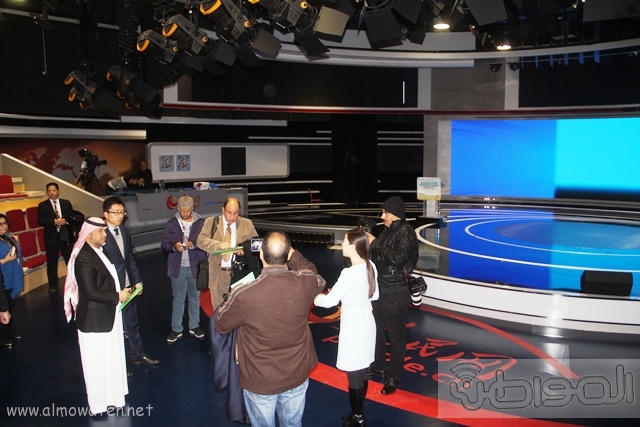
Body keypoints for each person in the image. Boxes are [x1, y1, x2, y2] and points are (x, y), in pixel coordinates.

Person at [215, 231, 326, 427]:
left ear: (261, 254)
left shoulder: (243, 294)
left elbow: (221, 324)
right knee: (292, 423)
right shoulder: (306, 283)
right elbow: (313, 273)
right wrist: (295, 256)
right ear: (288, 255)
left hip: (260, 379)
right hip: (297, 373)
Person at [62, 217, 132, 416]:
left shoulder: (102, 251)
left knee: (110, 359)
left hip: (108, 315)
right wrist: (117, 296)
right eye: (100, 231)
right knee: (96, 364)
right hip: (94, 320)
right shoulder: (84, 257)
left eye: (105, 231)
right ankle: (98, 405)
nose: (105, 235)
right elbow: (90, 292)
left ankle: (113, 397)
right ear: (88, 234)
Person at [314, 228, 379, 426]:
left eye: (344, 241)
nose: (341, 243)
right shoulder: (370, 266)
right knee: (362, 369)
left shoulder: (348, 273)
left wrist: (316, 297)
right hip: (367, 323)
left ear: (353, 246)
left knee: (354, 373)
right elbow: (374, 295)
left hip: (354, 328)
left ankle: (358, 417)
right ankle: (358, 412)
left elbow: (328, 302)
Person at [365, 196, 419, 395]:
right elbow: (379, 256)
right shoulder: (388, 230)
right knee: (378, 331)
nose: (382, 216)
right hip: (380, 290)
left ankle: (394, 377)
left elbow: (397, 258)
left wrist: (375, 244)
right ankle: (379, 365)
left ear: (394, 214)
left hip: (396, 293)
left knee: (396, 338)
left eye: (385, 212)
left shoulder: (406, 232)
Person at [102, 196, 159, 368]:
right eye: (116, 212)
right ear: (106, 214)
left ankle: (137, 354)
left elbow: (130, 258)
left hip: (128, 286)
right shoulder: (100, 234)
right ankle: (118, 365)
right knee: (114, 327)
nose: (120, 216)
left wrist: (137, 281)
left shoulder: (124, 231)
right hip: (112, 290)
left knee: (132, 323)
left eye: (122, 212)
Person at [196, 197, 258, 310]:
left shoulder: (247, 224)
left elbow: (255, 244)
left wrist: (244, 249)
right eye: (229, 212)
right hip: (217, 275)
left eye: (236, 213)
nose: (232, 216)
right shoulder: (211, 222)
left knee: (240, 310)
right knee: (219, 311)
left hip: (240, 275)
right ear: (223, 210)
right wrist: (218, 245)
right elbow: (200, 241)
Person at [161, 195, 207, 343]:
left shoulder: (201, 224)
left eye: (188, 211)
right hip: (177, 266)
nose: (185, 213)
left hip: (196, 266)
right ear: (178, 208)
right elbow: (164, 244)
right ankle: (176, 328)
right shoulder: (171, 224)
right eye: (182, 211)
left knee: (195, 298)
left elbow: (206, 243)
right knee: (178, 298)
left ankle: (194, 326)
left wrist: (194, 245)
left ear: (193, 208)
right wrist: (174, 246)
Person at [37, 182, 75, 293]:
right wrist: (54, 221)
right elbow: (40, 220)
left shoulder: (66, 203)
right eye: (49, 191)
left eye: (54, 190)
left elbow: (72, 216)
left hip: (65, 236)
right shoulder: (42, 205)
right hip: (51, 237)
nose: (52, 193)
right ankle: (53, 284)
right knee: (52, 263)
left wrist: (65, 221)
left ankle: (74, 281)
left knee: (70, 260)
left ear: (58, 191)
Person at [0, 213, 24, 347]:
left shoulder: (8, 238)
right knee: (4, 308)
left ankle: (9, 333)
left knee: (11, 308)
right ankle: (2, 337)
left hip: (13, 276)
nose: (3, 226)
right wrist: (5, 260)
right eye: (0, 224)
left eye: (4, 223)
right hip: (4, 280)